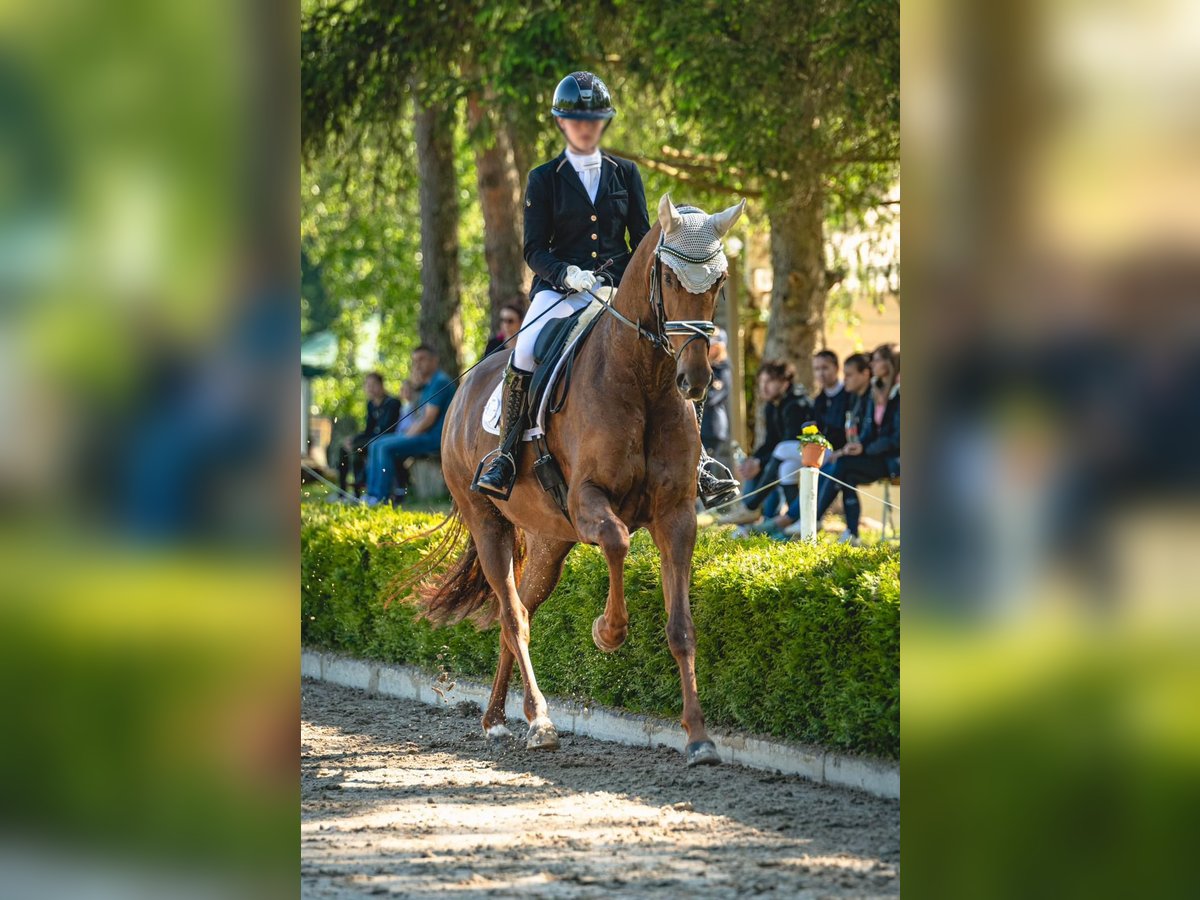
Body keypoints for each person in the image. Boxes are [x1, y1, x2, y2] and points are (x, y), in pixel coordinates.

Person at [471, 70, 740, 507]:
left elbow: (642, 240)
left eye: (594, 119)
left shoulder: (625, 173)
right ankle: (504, 455)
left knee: (674, 349)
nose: (586, 126)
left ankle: (702, 460)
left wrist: (626, 280)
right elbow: (534, 249)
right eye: (577, 119)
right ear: (562, 123)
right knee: (524, 350)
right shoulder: (544, 178)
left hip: (618, 295)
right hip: (560, 292)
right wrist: (566, 275)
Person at [810, 344, 899, 543]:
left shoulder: (899, 393)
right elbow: (872, 432)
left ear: (889, 363)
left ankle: (812, 519)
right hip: (878, 455)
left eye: (876, 359)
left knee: (842, 465)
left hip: (894, 460)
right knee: (846, 472)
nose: (872, 364)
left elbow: (897, 438)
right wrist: (855, 448)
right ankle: (852, 533)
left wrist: (864, 448)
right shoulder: (878, 391)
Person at [717, 360, 814, 525]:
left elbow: (787, 443)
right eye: (761, 382)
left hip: (806, 456)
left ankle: (749, 508)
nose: (764, 387)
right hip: (782, 461)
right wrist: (753, 461)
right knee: (758, 467)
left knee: (772, 464)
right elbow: (770, 442)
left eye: (769, 381)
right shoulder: (772, 406)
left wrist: (759, 463)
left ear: (785, 383)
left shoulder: (796, 404)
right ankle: (746, 518)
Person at [363, 346, 455, 507]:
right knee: (375, 443)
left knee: (384, 447)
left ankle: (381, 498)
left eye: (422, 359)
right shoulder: (428, 384)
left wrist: (406, 435)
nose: (418, 364)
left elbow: (428, 419)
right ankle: (371, 494)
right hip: (422, 435)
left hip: (434, 437)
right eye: (415, 360)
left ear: (434, 360)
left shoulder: (440, 381)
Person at [334, 372, 401, 496]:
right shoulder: (370, 405)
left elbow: (386, 429)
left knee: (356, 449)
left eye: (374, 385)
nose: (370, 388)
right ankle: (342, 491)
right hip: (371, 438)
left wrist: (357, 441)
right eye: (368, 385)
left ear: (381, 385)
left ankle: (358, 491)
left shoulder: (393, 403)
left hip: (385, 438)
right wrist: (353, 438)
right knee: (344, 447)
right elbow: (368, 429)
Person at [701, 327, 733, 468]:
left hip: (711, 427)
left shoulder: (723, 370)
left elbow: (711, 398)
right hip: (701, 427)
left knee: (706, 468)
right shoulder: (704, 368)